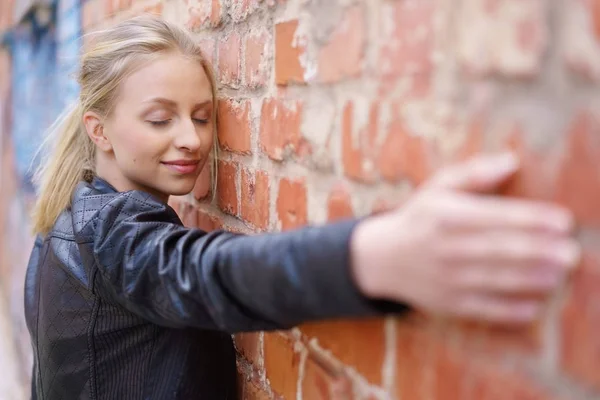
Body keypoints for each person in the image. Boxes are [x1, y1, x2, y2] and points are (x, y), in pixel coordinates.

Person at [24, 15, 580, 399]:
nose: (192, 138)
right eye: (159, 118)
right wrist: (371, 257)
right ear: (99, 129)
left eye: (201, 114)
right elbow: (207, 274)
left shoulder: (65, 221)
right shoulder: (114, 229)